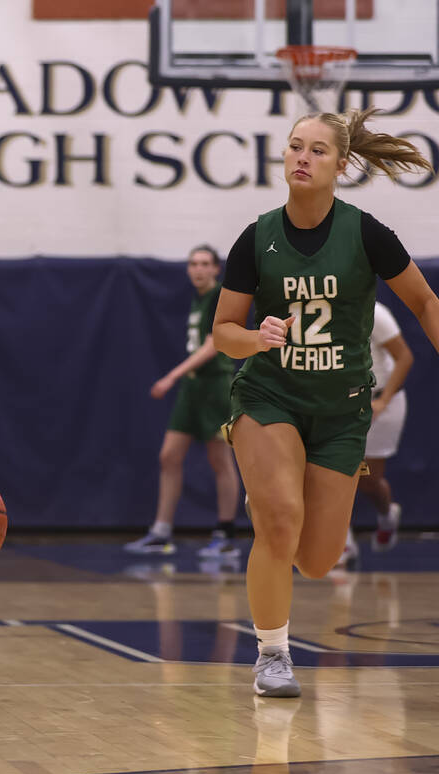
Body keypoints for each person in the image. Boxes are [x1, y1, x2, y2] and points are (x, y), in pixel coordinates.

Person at [212, 108, 439, 698]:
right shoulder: (256, 237)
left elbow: (425, 304)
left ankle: (273, 495)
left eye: (316, 150)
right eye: (293, 147)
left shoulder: (365, 233)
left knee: (316, 559)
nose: (301, 158)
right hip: (269, 395)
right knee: (280, 519)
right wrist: (255, 337)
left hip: (342, 410)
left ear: (341, 164)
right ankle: (272, 656)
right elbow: (223, 333)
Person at [125, 245, 240, 559]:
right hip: (193, 389)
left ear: (216, 269)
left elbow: (214, 344)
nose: (198, 269)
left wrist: (171, 376)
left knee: (220, 461)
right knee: (169, 456)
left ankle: (226, 534)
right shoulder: (198, 298)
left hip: (215, 385)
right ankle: (161, 532)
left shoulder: (218, 296)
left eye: (205, 263)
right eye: (193, 263)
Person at [339, 300, 412, 562]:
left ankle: (386, 513)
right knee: (337, 472)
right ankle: (342, 542)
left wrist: (382, 401)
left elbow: (405, 357)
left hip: (380, 401)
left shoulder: (374, 312)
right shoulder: (320, 310)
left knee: (368, 480)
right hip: (340, 401)